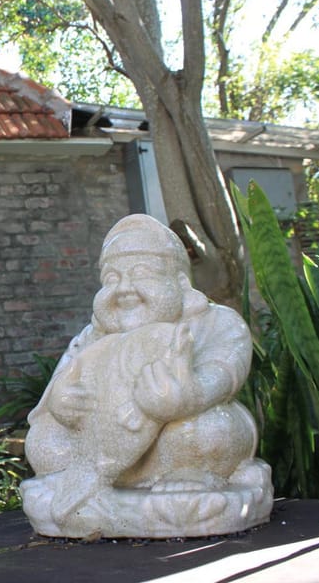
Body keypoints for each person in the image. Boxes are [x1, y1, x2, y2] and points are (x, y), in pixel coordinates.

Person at [21, 214, 270, 538]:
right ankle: (93, 486)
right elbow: (61, 384)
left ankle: (191, 477)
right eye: (111, 278)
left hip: (175, 445)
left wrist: (191, 395)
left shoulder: (217, 323)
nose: (124, 289)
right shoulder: (91, 335)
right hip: (96, 445)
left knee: (212, 428)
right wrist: (62, 401)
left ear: (181, 284)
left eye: (142, 274)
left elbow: (224, 374)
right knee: (43, 440)